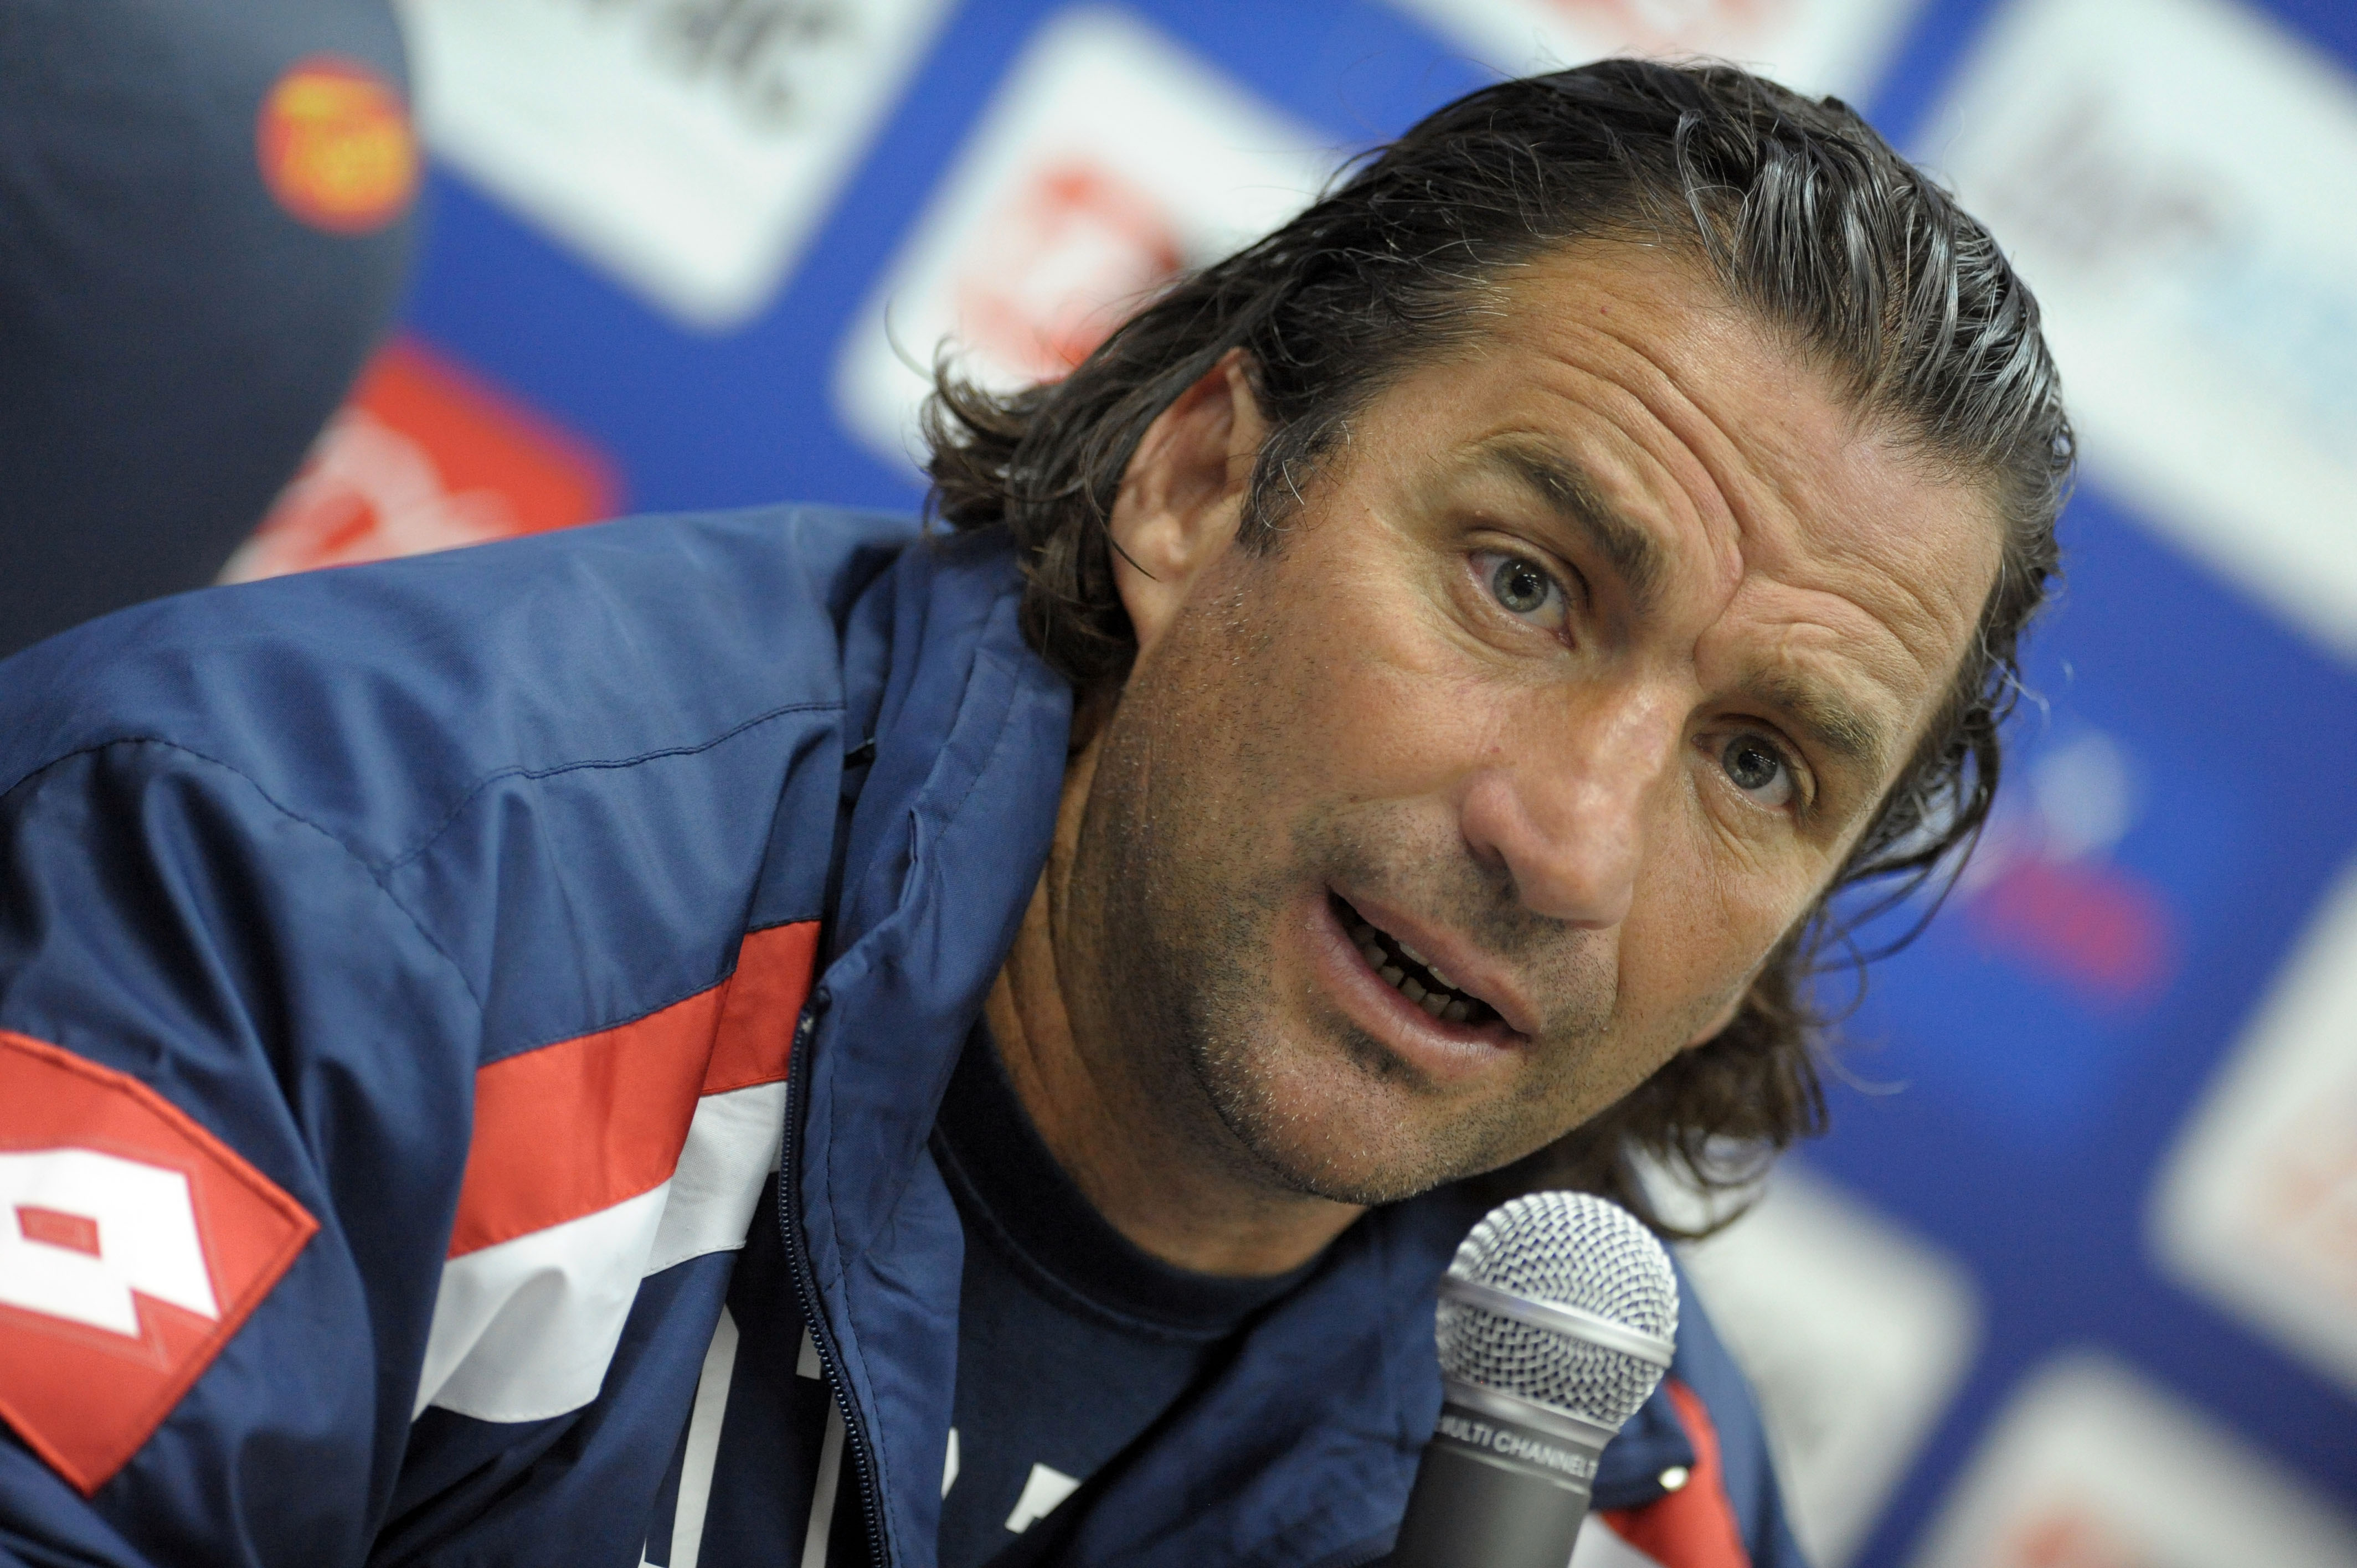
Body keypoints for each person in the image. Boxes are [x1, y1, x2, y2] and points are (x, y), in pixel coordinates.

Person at [0, 60, 2066, 1568]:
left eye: (1762, 763)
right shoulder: (342, 906)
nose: (1571, 843)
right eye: (1523, 584)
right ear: (1192, 489)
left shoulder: (1625, 1486)